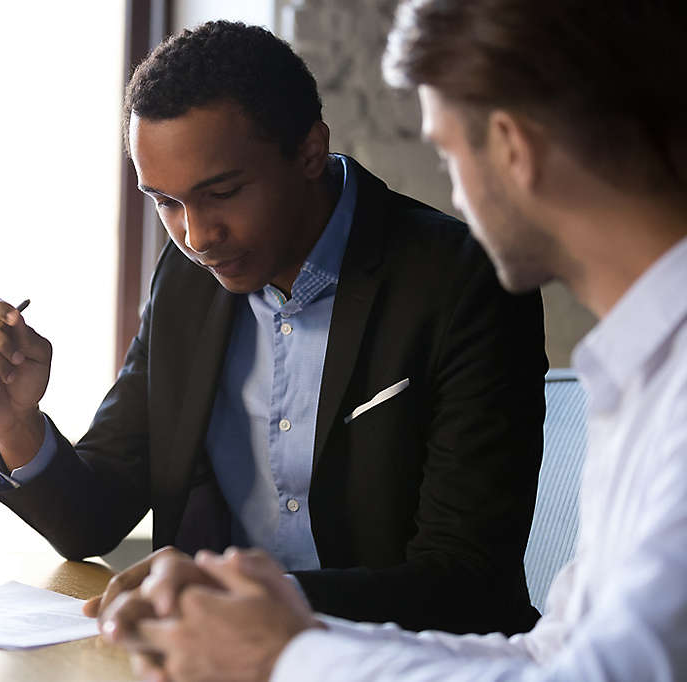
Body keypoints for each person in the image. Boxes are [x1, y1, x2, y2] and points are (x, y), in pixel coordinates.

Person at [99, 1, 687, 680]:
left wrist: (285, 653)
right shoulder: (641, 373)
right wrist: (268, 629)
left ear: (512, 148)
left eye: (444, 149)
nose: (456, 198)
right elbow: (551, 654)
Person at [0, 20, 546, 636]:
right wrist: (15, 426)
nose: (197, 236)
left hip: (407, 662)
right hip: (222, 658)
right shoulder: (185, 280)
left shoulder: (462, 280)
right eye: (166, 202)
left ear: (311, 151)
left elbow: (467, 578)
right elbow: (92, 521)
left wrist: (240, 597)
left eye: (223, 193)